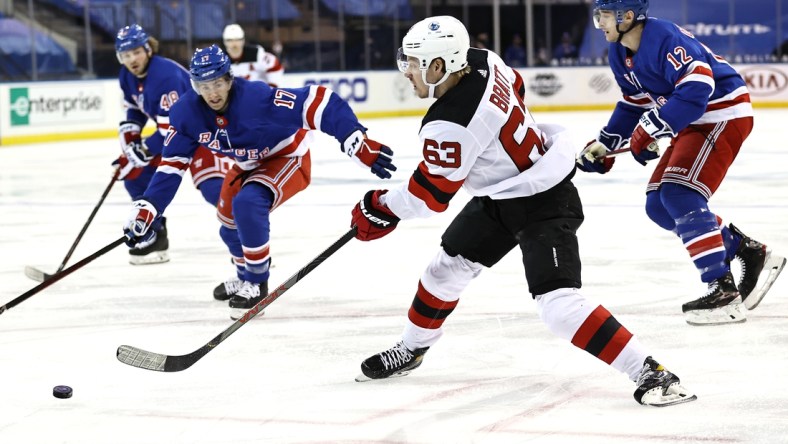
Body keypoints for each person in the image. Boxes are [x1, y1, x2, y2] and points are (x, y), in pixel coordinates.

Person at [349, 15, 695, 407]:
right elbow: (516, 83)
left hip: (545, 200)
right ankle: (412, 349)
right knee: (444, 270)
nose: (406, 72)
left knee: (559, 307)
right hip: (500, 195)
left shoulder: (450, 124)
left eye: (413, 63)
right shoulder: (483, 59)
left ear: (440, 66)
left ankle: (652, 373)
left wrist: (379, 206)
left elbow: (429, 198)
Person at [122, 44, 396, 319]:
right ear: (194, 86)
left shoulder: (256, 98)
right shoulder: (186, 114)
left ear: (229, 78)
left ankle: (256, 281)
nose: (212, 93)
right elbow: (171, 166)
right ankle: (244, 277)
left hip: (287, 155)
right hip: (248, 163)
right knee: (228, 224)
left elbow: (319, 100)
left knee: (248, 203)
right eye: (204, 86)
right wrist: (150, 206)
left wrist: (352, 137)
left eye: (217, 83)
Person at [576, 0, 785, 325]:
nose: (599, 23)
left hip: (722, 114)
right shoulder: (619, 51)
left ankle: (723, 291)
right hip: (695, 120)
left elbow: (698, 87)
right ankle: (746, 250)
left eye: (604, 15)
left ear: (626, 17)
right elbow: (634, 104)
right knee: (659, 205)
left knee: (680, 195)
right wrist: (605, 143)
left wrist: (653, 126)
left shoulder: (665, 38)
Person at [115, 24, 233, 265]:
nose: (132, 59)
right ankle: (155, 235)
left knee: (214, 189)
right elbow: (134, 106)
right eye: (126, 55)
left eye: (136, 52)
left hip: (203, 134)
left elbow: (170, 130)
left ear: (148, 49)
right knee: (135, 174)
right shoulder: (126, 76)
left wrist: (143, 149)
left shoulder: (164, 76)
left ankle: (248, 242)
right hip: (177, 136)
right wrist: (131, 132)